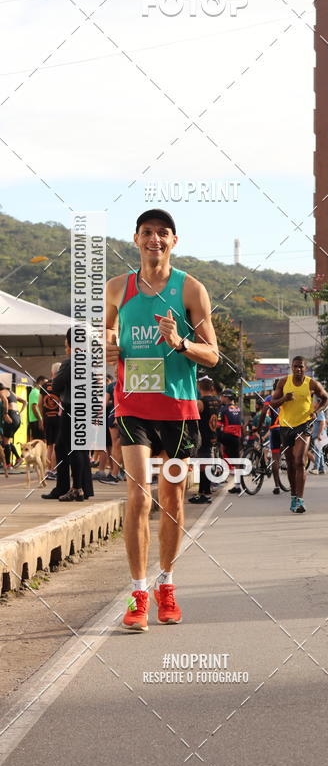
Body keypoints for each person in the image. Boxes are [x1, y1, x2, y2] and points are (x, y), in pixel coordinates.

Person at [105, 209, 218, 633]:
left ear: (174, 240)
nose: (155, 239)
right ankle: (138, 594)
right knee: (139, 496)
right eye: (147, 233)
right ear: (136, 238)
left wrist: (180, 341)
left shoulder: (190, 289)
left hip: (179, 411)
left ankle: (165, 585)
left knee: (172, 499)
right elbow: (108, 335)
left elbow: (213, 354)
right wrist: (109, 350)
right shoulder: (118, 288)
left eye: (163, 234)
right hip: (134, 405)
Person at [270, 357, 328, 513]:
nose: (298, 369)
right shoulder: (283, 382)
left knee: (300, 461)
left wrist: (316, 412)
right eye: (295, 367)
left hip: (304, 425)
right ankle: (293, 496)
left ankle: (300, 500)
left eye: (301, 367)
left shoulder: (311, 383)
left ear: (305, 368)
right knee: (290, 463)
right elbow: (272, 403)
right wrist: (284, 398)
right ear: (291, 367)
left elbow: (326, 398)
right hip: (285, 426)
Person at [42, 329, 94, 502]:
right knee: (68, 447)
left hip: (71, 407)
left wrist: (57, 380)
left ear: (71, 344)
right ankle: (76, 488)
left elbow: (56, 386)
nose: (65, 349)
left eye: (66, 345)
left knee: (72, 448)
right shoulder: (90, 361)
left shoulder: (69, 362)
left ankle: (76, 488)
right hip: (85, 408)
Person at [189, 375, 220, 505]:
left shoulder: (200, 402)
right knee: (205, 463)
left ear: (199, 387)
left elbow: (192, 416)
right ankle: (202, 492)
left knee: (203, 466)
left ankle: (205, 493)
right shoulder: (216, 400)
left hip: (203, 435)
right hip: (213, 434)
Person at [257, 381, 283, 494]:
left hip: (274, 429)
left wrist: (259, 426)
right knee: (291, 457)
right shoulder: (287, 397)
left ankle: (277, 486)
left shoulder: (269, 398)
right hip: (286, 429)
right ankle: (295, 486)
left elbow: (263, 413)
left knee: (275, 458)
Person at [219, 390, 243, 494]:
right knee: (236, 460)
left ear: (227, 398)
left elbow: (219, 425)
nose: (221, 398)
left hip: (227, 435)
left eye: (222, 396)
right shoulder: (238, 408)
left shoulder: (223, 409)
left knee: (221, 452)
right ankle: (237, 485)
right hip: (237, 436)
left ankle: (220, 475)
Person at [41, 364, 61, 478]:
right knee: (57, 445)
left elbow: (40, 404)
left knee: (49, 445)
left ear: (51, 371)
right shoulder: (61, 384)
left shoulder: (44, 385)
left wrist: (41, 417)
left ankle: (48, 470)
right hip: (59, 418)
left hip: (47, 418)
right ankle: (54, 469)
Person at [1, 382, 26, 469]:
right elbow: (25, 402)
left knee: (6, 441)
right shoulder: (12, 393)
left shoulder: (2, 392)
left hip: (10, 415)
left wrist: (5, 413)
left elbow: (4, 400)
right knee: (8, 441)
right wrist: (21, 413)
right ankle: (18, 458)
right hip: (17, 417)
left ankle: (8, 464)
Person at [309, 408, 327, 474]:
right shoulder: (317, 411)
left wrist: (319, 434)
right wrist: (312, 432)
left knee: (317, 452)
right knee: (320, 452)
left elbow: (322, 423)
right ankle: (322, 468)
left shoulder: (319, 411)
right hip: (317, 435)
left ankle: (316, 468)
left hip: (319, 435)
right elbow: (316, 424)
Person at [28, 376, 45, 441]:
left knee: (41, 441)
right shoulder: (35, 392)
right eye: (45, 383)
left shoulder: (38, 392)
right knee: (38, 442)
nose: (46, 385)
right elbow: (34, 407)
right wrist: (40, 420)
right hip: (36, 420)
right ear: (40, 382)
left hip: (37, 420)